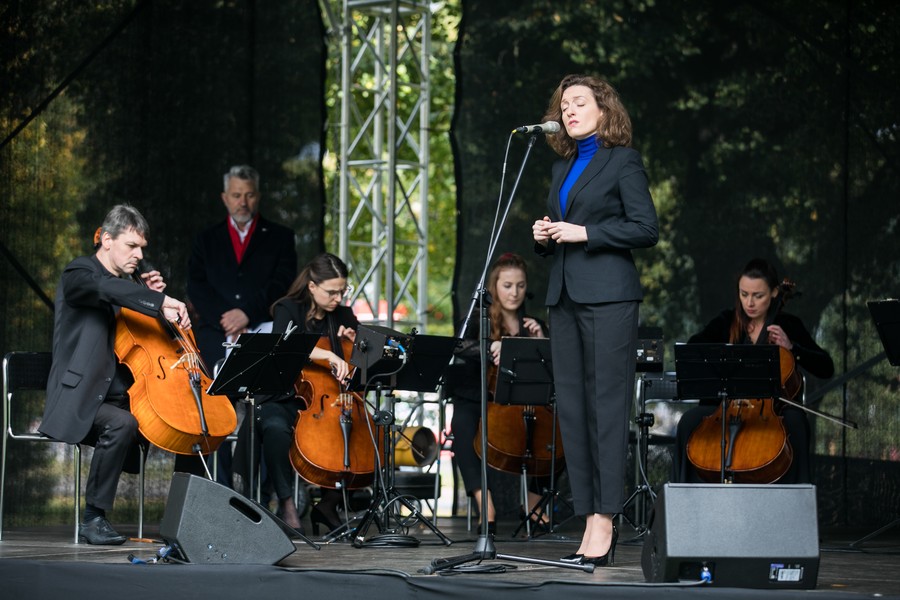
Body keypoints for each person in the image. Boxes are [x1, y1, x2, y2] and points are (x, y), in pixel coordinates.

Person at [532, 74, 659, 566]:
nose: (569, 111)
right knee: (574, 411)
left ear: (604, 109)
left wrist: (585, 232)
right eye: (564, 105)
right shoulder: (561, 166)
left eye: (579, 102)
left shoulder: (623, 160)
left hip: (609, 298)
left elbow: (645, 228)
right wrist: (544, 236)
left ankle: (606, 522)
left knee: (607, 410)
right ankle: (587, 519)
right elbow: (560, 233)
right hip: (563, 297)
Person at [39, 205, 192, 545]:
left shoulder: (124, 286)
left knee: (182, 421)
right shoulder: (79, 273)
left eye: (141, 248)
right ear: (107, 240)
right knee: (123, 423)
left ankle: (187, 518)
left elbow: (147, 340)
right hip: (77, 398)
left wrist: (152, 299)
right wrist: (157, 299)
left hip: (115, 394)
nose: (139, 254)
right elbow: (105, 289)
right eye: (131, 246)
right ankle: (93, 518)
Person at [672, 258, 835, 484]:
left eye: (758, 296)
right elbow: (693, 349)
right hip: (726, 408)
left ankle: (797, 501)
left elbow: (826, 366)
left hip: (771, 414)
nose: (749, 302)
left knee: (797, 422)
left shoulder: (789, 325)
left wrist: (792, 348)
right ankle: (686, 501)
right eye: (744, 294)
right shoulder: (726, 321)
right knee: (689, 422)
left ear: (775, 293)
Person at [187, 165, 297, 485]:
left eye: (249, 195)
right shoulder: (206, 239)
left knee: (264, 413)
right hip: (213, 333)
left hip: (262, 329)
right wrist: (226, 318)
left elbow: (283, 281)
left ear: (258, 196)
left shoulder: (280, 237)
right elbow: (196, 285)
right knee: (210, 407)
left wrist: (246, 313)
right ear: (225, 198)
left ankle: (259, 491)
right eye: (236, 195)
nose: (243, 202)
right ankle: (216, 488)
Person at [236, 252, 355, 534]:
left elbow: (358, 360)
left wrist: (355, 344)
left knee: (360, 433)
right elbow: (286, 347)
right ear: (312, 286)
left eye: (343, 291)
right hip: (284, 396)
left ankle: (329, 503)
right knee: (276, 429)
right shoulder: (287, 309)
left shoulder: (343, 314)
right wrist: (327, 353)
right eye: (332, 292)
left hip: (326, 402)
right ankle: (287, 503)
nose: (339, 299)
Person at [451, 252, 551, 535]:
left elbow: (546, 371)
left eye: (520, 285)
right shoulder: (477, 320)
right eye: (507, 285)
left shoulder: (533, 324)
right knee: (462, 424)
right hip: (478, 398)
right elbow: (458, 346)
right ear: (494, 286)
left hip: (519, 404)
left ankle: (533, 504)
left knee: (552, 432)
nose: (515, 292)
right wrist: (489, 347)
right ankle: (487, 506)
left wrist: (541, 342)